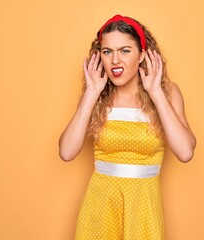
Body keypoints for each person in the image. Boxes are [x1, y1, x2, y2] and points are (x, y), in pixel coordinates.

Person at [59, 14, 196, 240]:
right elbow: (66, 151)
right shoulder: (95, 96)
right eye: (107, 51)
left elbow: (185, 152)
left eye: (125, 50)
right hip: (100, 206)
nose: (115, 60)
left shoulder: (168, 93)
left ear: (142, 54)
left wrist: (156, 93)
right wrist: (91, 93)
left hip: (143, 209)